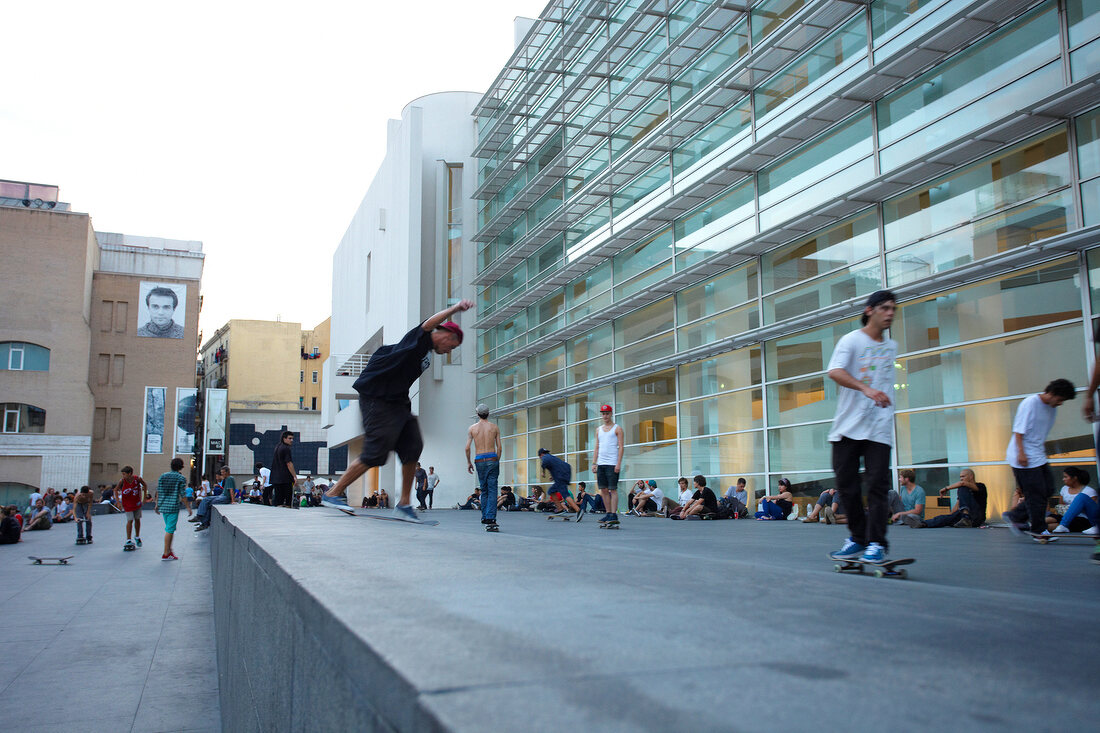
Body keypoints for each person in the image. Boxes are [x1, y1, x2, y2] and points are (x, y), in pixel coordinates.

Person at [324, 299, 473, 522]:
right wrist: (455, 309)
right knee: (376, 453)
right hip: (377, 397)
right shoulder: (420, 340)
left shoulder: (427, 352)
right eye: (451, 346)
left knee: (413, 445)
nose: (449, 351)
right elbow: (429, 324)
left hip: (398, 402)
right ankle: (332, 493)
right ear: (445, 334)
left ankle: (404, 504)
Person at [826, 290, 898, 563]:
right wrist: (866, 389)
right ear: (870, 310)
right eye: (885, 308)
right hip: (848, 426)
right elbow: (835, 371)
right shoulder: (851, 340)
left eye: (893, 308)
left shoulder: (891, 347)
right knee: (847, 485)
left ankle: (877, 543)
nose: (890, 313)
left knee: (878, 485)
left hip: (879, 427)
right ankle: (858, 538)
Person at [1002, 379, 1078, 536]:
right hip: (1022, 456)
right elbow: (1018, 431)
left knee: (1048, 489)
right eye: (1060, 399)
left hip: (1037, 455)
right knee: (1035, 494)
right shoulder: (1030, 403)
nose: (1060, 404)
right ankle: (1039, 530)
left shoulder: (1051, 408)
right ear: (1052, 393)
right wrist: (1021, 453)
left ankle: (1015, 516)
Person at [910, 469, 988, 528]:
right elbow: (957, 505)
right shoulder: (963, 490)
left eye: (963, 476)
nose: (961, 479)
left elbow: (962, 483)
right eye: (960, 477)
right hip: (963, 518)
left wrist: (946, 488)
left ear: (971, 476)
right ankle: (922, 524)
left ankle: (966, 518)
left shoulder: (981, 486)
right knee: (943, 518)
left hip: (977, 517)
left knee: (962, 487)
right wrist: (950, 516)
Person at [466, 404, 502, 529]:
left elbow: (467, 448)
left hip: (479, 459)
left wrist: (469, 462)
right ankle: (490, 517)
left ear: (477, 414)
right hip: (492, 458)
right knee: (492, 490)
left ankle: (484, 516)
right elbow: (499, 447)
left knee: (484, 489)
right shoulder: (494, 427)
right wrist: (497, 460)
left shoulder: (472, 428)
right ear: (488, 413)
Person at [591, 404, 624, 525]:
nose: (605, 416)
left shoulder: (617, 428)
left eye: (607, 413)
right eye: (603, 414)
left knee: (613, 489)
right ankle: (608, 513)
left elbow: (621, 447)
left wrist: (618, 463)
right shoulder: (598, 430)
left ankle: (614, 514)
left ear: (611, 414)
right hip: (601, 463)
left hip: (612, 463)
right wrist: (594, 463)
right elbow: (596, 447)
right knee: (603, 490)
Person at [153, 457, 187, 560]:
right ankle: (165, 553)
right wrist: (188, 507)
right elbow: (183, 494)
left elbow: (159, 490)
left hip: (164, 506)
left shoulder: (163, 476)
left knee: (169, 528)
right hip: (173, 506)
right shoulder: (180, 478)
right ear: (181, 467)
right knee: (170, 529)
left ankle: (169, 550)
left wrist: (157, 504)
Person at [1047, 467, 1098, 535]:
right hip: (1065, 515)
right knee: (1054, 517)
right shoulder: (1064, 489)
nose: (1063, 479)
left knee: (1081, 497)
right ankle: (1034, 524)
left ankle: (1043, 527)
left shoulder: (1089, 491)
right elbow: (1061, 506)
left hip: (1082, 518)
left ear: (1074, 478)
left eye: (1065, 477)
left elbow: (1091, 510)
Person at [537, 448, 582, 519]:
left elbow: (544, 462)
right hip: (565, 474)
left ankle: (578, 510)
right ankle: (560, 509)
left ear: (541, 455)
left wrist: (543, 471)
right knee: (551, 491)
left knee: (565, 494)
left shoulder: (545, 457)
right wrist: (552, 476)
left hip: (561, 477)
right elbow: (556, 467)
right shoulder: (552, 458)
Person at [192, 466, 235, 531]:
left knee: (210, 502)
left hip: (225, 497)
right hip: (222, 496)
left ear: (227, 472)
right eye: (221, 472)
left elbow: (231, 490)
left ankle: (204, 522)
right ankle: (199, 516)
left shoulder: (230, 478)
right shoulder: (226, 479)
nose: (222, 474)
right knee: (206, 499)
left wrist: (233, 501)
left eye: (223, 472)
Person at [118, 466, 148, 550]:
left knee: (137, 519)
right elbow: (115, 490)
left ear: (130, 473)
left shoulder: (137, 479)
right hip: (127, 504)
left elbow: (145, 485)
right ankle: (128, 539)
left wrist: (144, 497)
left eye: (124, 474)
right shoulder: (122, 481)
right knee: (130, 520)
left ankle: (137, 536)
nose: (123, 476)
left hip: (136, 502)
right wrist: (118, 502)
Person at [270, 432, 298, 508]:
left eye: (292, 438)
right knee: (288, 501)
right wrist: (295, 476)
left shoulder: (277, 447)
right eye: (289, 438)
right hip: (285, 478)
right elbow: (289, 463)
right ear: (284, 438)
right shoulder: (286, 449)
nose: (291, 440)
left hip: (276, 478)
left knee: (278, 500)